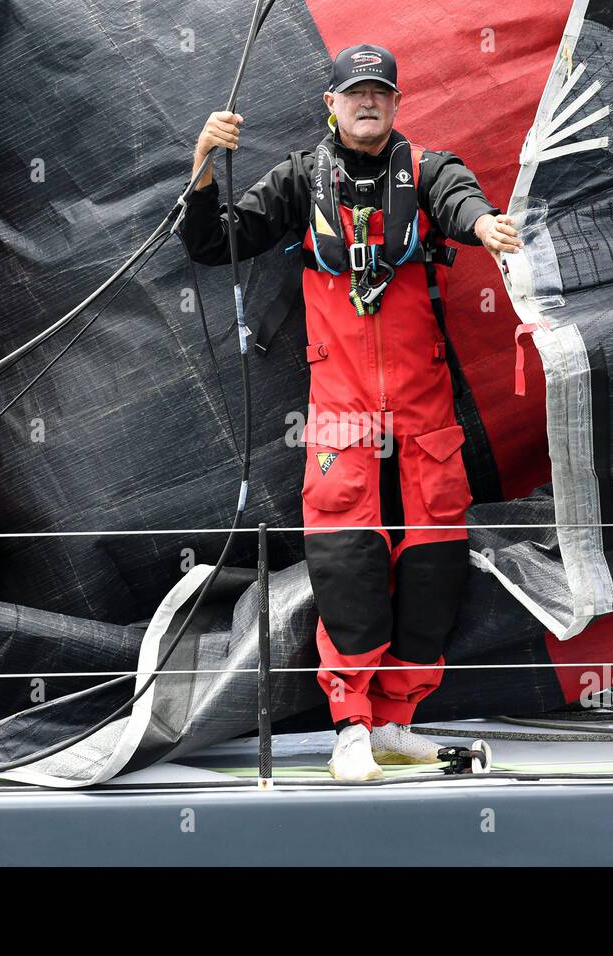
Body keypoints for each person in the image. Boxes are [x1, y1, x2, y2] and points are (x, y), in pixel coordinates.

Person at [180, 44, 521, 780]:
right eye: (355, 92)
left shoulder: (429, 170)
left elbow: (462, 202)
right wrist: (205, 161)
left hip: (424, 412)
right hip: (341, 411)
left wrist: (485, 227)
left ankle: (399, 720)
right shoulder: (301, 179)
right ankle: (351, 725)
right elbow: (211, 242)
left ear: (396, 104)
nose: (369, 102)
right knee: (348, 561)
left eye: (381, 92)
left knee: (435, 561)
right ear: (329, 104)